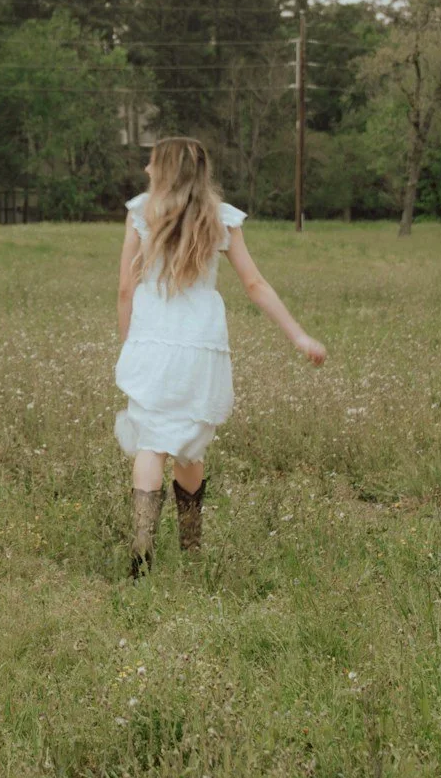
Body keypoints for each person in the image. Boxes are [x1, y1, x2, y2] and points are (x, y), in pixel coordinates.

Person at [115, 136, 325, 576]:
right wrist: (299, 336)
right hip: (199, 344)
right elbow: (255, 284)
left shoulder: (140, 213)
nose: (146, 171)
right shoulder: (221, 217)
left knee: (151, 443)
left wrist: (127, 344)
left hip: (152, 340)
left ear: (166, 170)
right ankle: (191, 547)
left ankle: (142, 548)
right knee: (190, 446)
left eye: (151, 164)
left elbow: (125, 289)